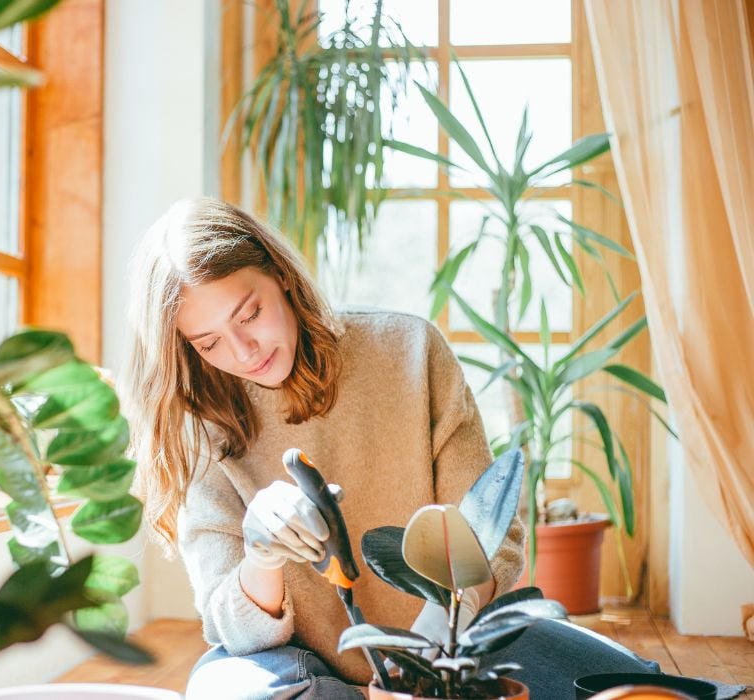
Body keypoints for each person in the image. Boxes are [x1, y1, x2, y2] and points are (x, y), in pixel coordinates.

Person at [122, 198, 659, 699]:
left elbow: (490, 540)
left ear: (280, 276)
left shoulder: (408, 351)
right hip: (302, 670)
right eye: (210, 342)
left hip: (454, 647)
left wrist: (420, 668)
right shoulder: (198, 423)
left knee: (642, 688)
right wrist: (260, 558)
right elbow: (232, 631)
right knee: (228, 689)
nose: (243, 351)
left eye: (249, 314)